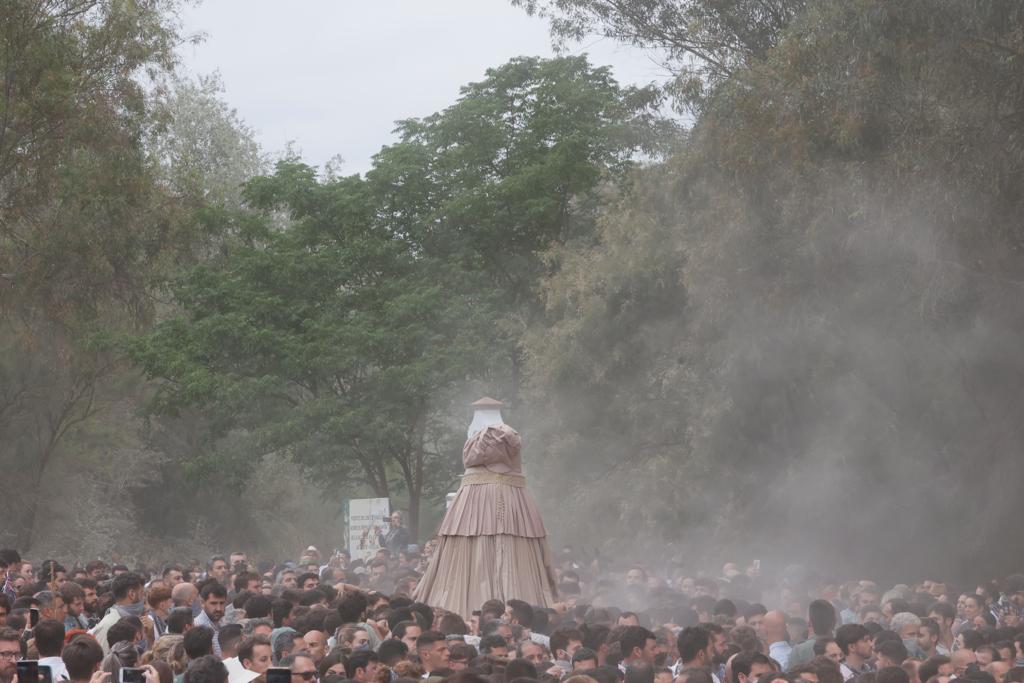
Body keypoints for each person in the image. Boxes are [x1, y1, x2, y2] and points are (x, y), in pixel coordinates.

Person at [412, 402, 557, 617]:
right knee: (510, 555)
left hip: (475, 501)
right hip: (511, 500)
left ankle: (478, 609)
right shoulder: (510, 437)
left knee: (470, 556)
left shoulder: (479, 437)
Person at [90, 573, 147, 654]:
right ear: (132, 594)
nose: (144, 599)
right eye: (142, 593)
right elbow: (105, 659)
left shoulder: (137, 620)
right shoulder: (110, 624)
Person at [789, 601, 837, 672]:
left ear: (809, 621)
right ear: (834, 621)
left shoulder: (799, 650)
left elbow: (791, 675)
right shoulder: (841, 644)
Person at [194, 584, 227, 657]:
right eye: (213, 603)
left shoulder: (225, 624)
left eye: (222, 603)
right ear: (202, 603)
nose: (218, 608)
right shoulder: (196, 627)